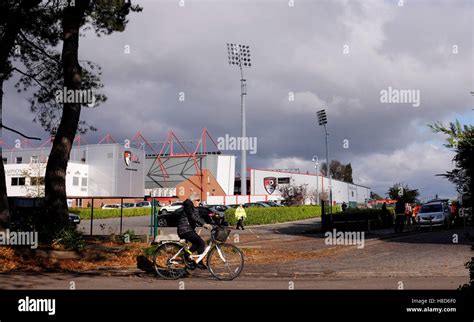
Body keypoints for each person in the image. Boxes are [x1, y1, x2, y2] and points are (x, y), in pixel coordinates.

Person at [177, 195, 213, 269]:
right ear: (193, 201)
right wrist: (204, 224)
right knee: (201, 243)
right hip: (185, 229)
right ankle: (190, 257)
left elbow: (198, 217)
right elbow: (193, 217)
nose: (199, 202)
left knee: (197, 243)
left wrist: (209, 224)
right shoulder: (189, 206)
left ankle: (192, 259)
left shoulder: (192, 207)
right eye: (198, 200)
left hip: (188, 229)